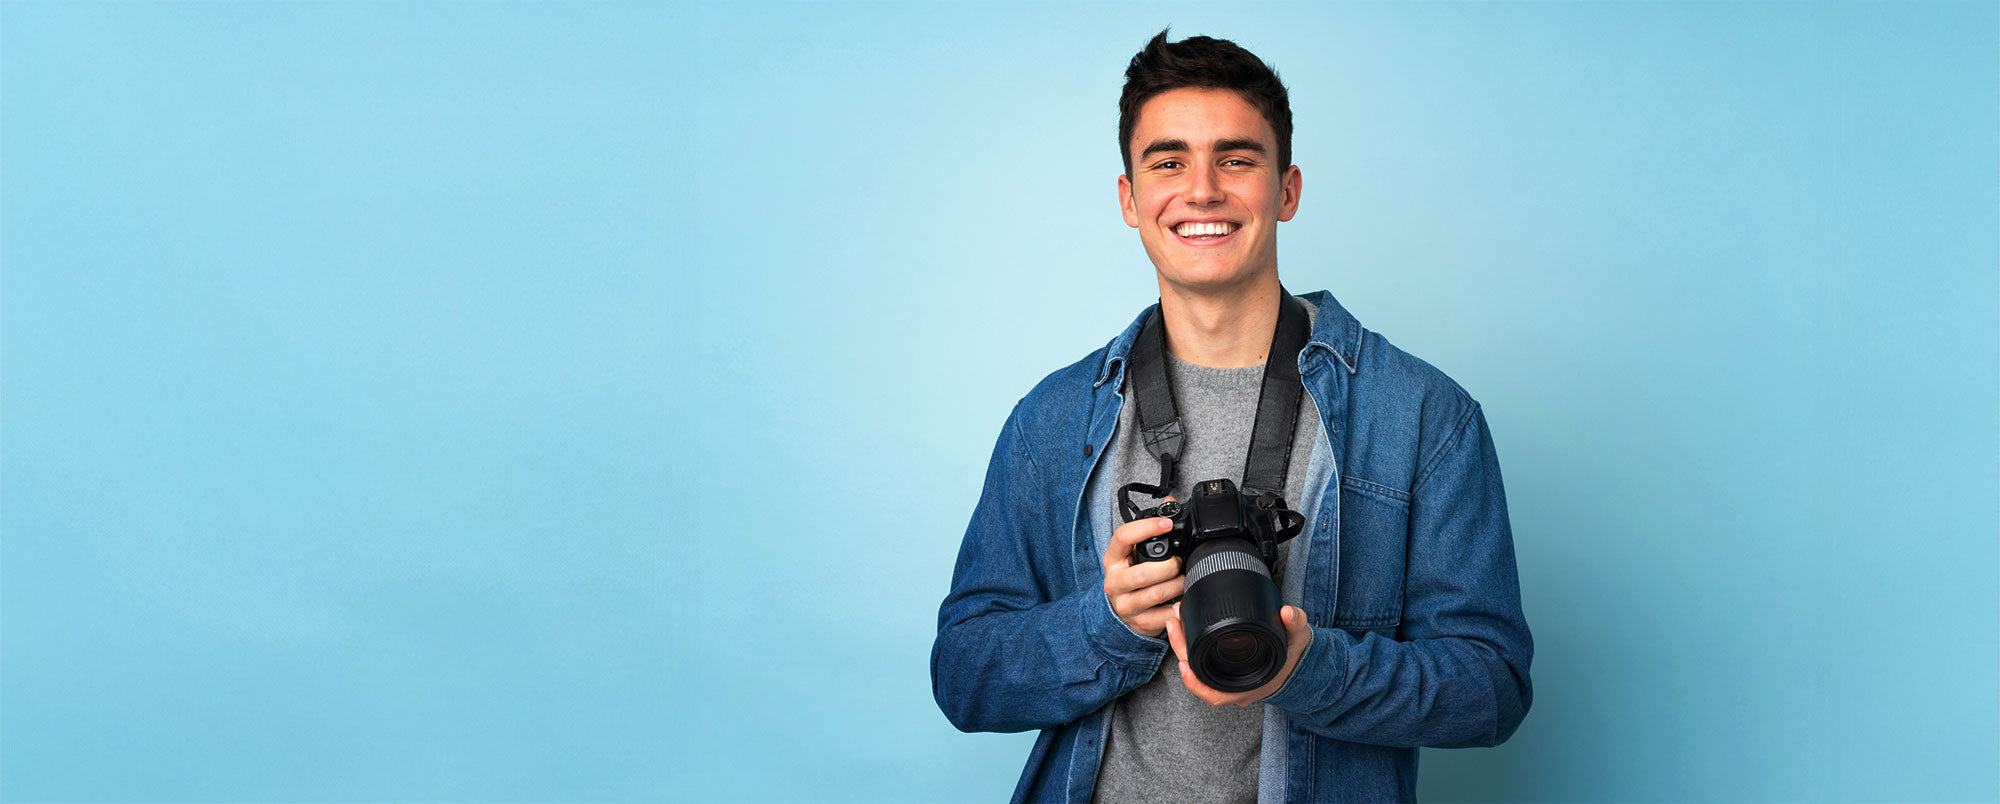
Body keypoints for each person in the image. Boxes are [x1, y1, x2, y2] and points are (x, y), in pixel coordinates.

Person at [931, 30, 1532, 803]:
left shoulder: (1421, 415)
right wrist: (1105, 624)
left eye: (1237, 159)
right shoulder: (1050, 420)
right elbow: (964, 676)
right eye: (1169, 161)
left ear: (1287, 190)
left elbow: (1492, 686)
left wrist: (1309, 672)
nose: (1203, 190)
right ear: (1130, 199)